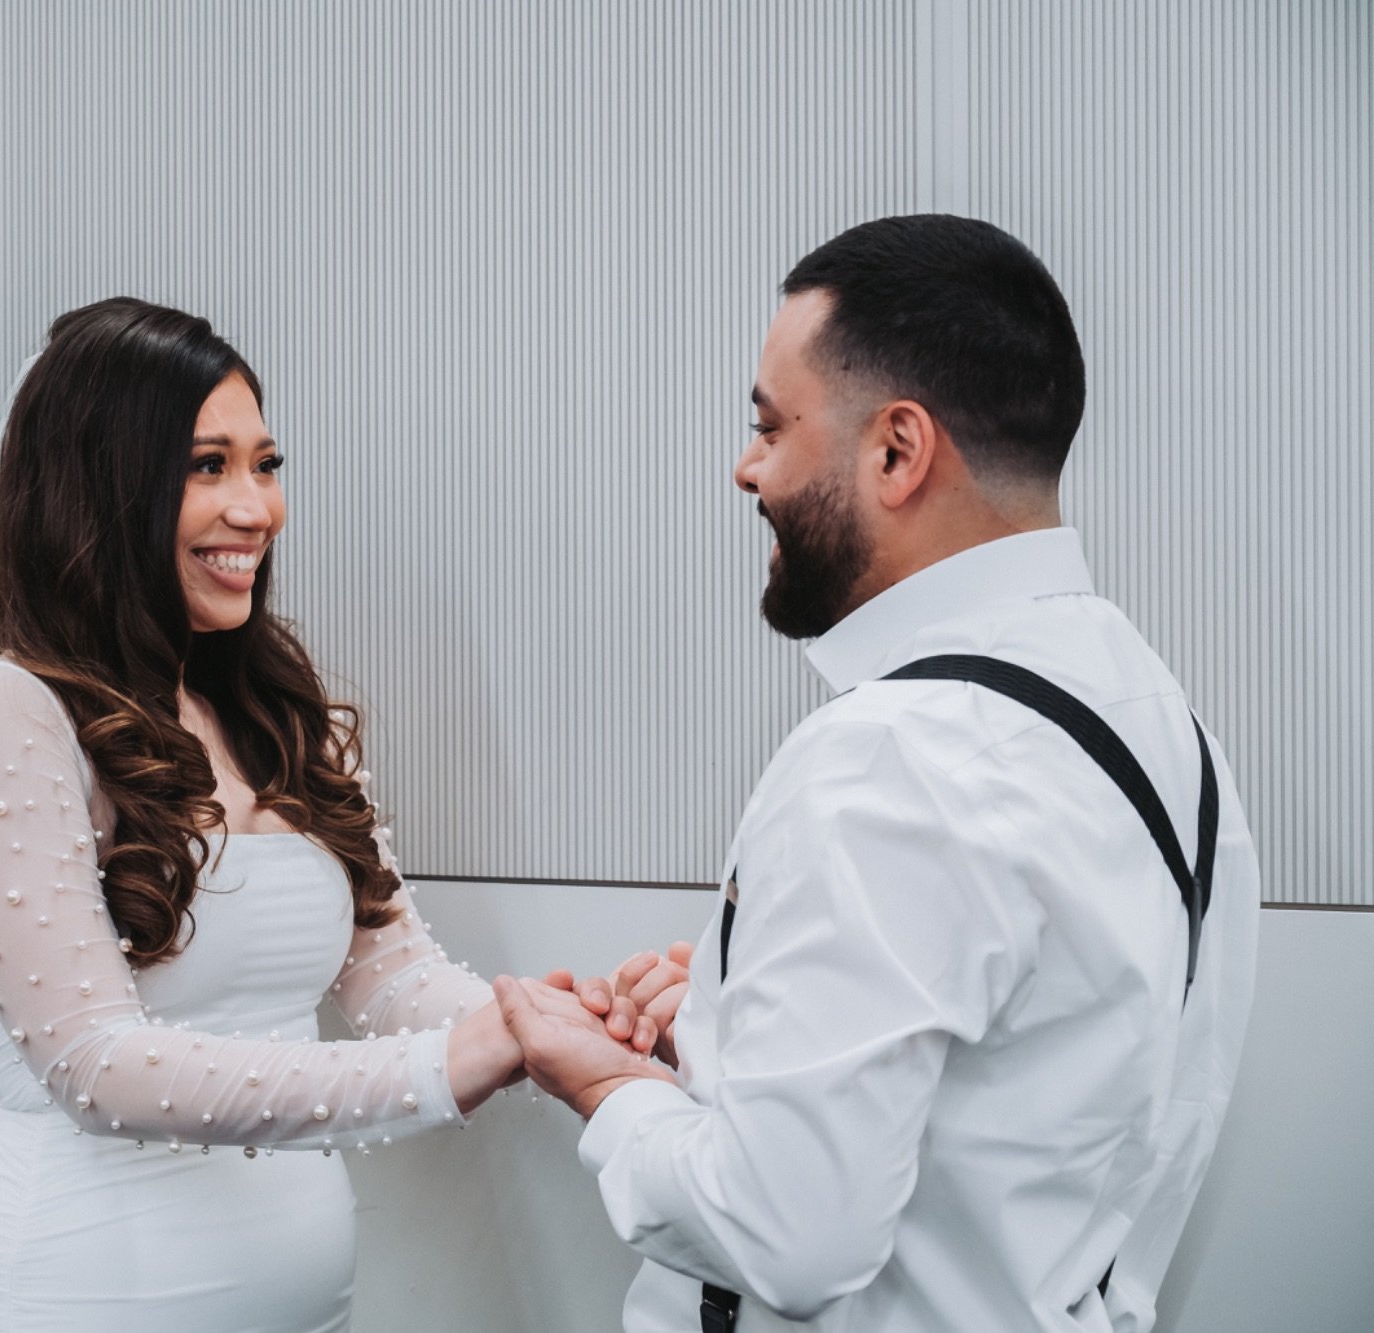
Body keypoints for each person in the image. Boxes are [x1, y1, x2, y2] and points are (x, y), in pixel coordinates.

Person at [495, 215, 1261, 1333]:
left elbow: (784, 1238)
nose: (747, 467)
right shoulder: (1163, 725)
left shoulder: (889, 756)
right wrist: (740, 1031)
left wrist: (609, 1089)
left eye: (769, 426)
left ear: (897, 451)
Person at [0, 297, 672, 1332]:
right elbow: (94, 1065)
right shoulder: (5, 709)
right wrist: (442, 1069)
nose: (255, 508)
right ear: (103, 488)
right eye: (206, 467)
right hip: (88, 1293)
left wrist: (557, 1022)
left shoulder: (277, 710)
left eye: (265, 465)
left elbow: (393, 979)